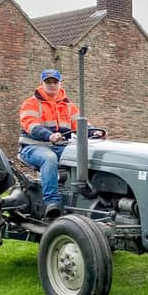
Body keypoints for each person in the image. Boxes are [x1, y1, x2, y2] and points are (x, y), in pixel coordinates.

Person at [19, 69, 103, 216]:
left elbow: (80, 125)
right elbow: (31, 125)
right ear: (42, 84)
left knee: (84, 156)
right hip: (34, 147)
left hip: (60, 146)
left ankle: (87, 196)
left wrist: (93, 131)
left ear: (60, 84)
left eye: (55, 82)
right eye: (48, 82)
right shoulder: (31, 104)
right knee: (49, 158)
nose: (52, 85)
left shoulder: (69, 106)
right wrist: (49, 135)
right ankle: (52, 202)